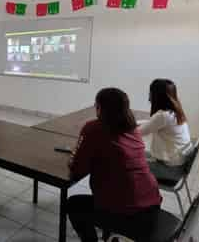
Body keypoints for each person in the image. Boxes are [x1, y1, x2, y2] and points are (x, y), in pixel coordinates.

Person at [67, 88, 162, 242]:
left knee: (74, 205)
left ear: (99, 108)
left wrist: (74, 156)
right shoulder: (132, 128)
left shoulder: (92, 128)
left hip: (129, 214)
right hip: (151, 204)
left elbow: (76, 170)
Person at [139, 79, 192, 180]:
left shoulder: (162, 116)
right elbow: (151, 123)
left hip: (170, 171)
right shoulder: (175, 112)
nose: (149, 97)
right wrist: (138, 123)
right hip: (179, 165)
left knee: (128, 164)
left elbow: (138, 133)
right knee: (137, 155)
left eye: (150, 93)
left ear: (157, 96)